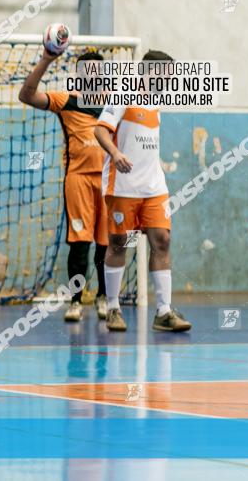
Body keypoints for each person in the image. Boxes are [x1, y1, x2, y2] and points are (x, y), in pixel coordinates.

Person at [93, 50, 191, 332]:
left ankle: (163, 311)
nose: (169, 80)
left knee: (162, 240)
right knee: (119, 244)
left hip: (154, 187)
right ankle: (112, 308)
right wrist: (116, 153)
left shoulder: (157, 102)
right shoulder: (123, 94)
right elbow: (100, 131)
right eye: (166, 75)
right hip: (122, 185)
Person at [19, 50, 109, 322]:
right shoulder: (67, 100)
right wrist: (47, 59)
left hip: (110, 182)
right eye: (86, 70)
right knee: (80, 245)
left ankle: (105, 297)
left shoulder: (116, 105)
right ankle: (76, 301)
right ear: (79, 74)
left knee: (107, 245)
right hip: (78, 181)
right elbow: (27, 95)